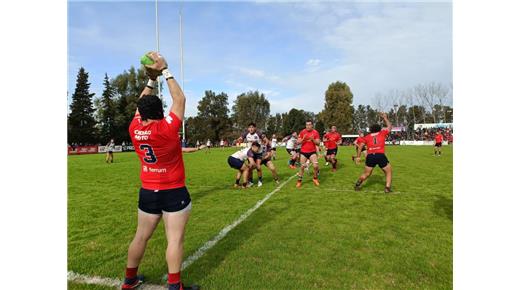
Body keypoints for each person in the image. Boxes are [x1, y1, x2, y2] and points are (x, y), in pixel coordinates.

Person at [122, 52, 198, 290]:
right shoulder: (166, 128)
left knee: (140, 237)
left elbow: (140, 106)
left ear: (141, 113)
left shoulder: (134, 128)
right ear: (159, 112)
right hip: (173, 190)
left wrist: (150, 80)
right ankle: (175, 286)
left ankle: (129, 280)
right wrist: (165, 71)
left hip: (148, 190)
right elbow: (180, 100)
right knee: (174, 240)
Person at [354, 112, 393, 193]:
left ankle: (358, 183)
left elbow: (360, 146)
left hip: (370, 156)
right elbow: (389, 127)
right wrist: (385, 118)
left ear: (371, 130)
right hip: (380, 155)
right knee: (388, 171)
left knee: (367, 174)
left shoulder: (367, 137)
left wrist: (358, 157)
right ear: (379, 129)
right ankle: (387, 188)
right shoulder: (382, 133)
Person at [296, 120, 321, 187]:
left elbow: (318, 143)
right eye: (307, 125)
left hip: (312, 152)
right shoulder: (302, 132)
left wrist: (313, 140)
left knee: (315, 166)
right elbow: (298, 142)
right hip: (303, 152)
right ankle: (299, 181)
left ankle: (315, 178)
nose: (308, 126)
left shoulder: (315, 132)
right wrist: (303, 139)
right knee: (302, 167)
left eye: (309, 124)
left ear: (312, 125)